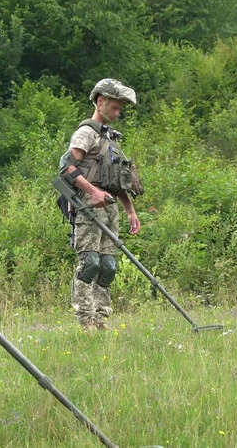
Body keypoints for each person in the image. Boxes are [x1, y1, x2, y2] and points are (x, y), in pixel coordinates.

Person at [58, 78, 141, 330]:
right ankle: (86, 320)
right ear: (100, 101)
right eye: (115, 107)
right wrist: (93, 192)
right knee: (90, 262)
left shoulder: (112, 140)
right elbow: (66, 167)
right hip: (87, 205)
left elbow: (118, 180)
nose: (118, 113)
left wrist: (130, 211)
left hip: (110, 207)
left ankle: (102, 318)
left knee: (108, 265)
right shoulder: (86, 133)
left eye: (120, 109)